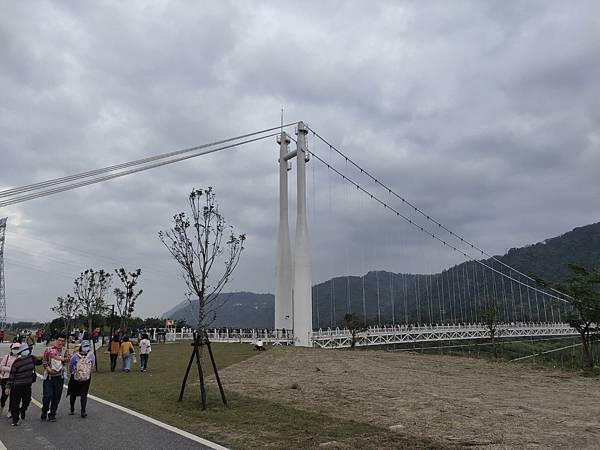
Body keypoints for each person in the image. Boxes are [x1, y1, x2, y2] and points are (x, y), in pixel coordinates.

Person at [5, 342, 42, 426]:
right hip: (16, 386)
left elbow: (39, 362)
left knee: (27, 400)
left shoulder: (31, 358)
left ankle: (23, 410)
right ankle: (15, 419)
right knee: (15, 403)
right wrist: (8, 386)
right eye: (25, 350)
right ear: (21, 352)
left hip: (27, 385)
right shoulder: (16, 362)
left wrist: (47, 356)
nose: (26, 351)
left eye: (27, 350)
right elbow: (12, 375)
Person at [41, 333, 70, 422]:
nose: (61, 342)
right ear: (55, 340)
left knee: (56, 397)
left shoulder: (64, 350)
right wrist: (49, 369)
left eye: (63, 341)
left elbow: (68, 359)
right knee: (47, 396)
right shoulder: (49, 349)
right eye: (59, 340)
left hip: (59, 377)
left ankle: (52, 414)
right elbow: (44, 361)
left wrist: (59, 358)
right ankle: (44, 410)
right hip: (49, 377)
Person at [67, 340, 94, 418]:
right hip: (86, 378)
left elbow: (71, 366)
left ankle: (72, 409)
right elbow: (92, 365)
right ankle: (83, 411)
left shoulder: (75, 356)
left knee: (73, 393)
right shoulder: (91, 355)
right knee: (84, 394)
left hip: (75, 377)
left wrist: (73, 372)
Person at [0, 342, 21, 416]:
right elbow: (1, 367)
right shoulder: (7, 357)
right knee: (4, 395)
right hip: (6, 378)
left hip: (16, 379)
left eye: (17, 349)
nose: (16, 350)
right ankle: (2, 406)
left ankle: (10, 411)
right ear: (12, 349)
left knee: (13, 396)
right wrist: (12, 369)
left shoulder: (20, 358)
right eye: (14, 348)